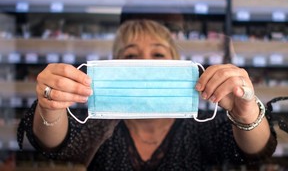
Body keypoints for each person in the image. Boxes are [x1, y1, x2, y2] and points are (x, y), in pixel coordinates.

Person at [17, 19, 277, 170]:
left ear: (177, 63)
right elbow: (53, 143)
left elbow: (257, 151)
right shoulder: (98, 123)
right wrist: (50, 106)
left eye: (158, 55)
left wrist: (246, 111)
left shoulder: (202, 124)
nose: (143, 64)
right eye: (130, 56)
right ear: (113, 65)